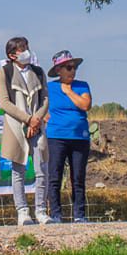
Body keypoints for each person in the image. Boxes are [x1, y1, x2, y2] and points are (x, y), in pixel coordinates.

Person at [0, 37, 48, 226]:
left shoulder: (39, 73)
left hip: (37, 126)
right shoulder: (5, 73)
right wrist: (27, 119)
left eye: (27, 47)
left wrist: (36, 119)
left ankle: (41, 210)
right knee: (19, 170)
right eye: (22, 49)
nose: (27, 51)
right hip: (16, 126)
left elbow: (44, 99)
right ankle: (22, 211)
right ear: (12, 54)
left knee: (42, 168)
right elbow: (4, 102)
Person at [44, 51, 92, 223]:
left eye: (75, 67)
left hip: (80, 137)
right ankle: (56, 214)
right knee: (54, 176)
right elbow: (37, 105)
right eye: (68, 67)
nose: (73, 71)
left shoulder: (82, 86)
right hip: (56, 136)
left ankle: (79, 215)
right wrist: (43, 115)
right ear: (58, 70)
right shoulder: (49, 88)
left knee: (78, 178)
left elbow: (86, 104)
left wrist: (69, 92)